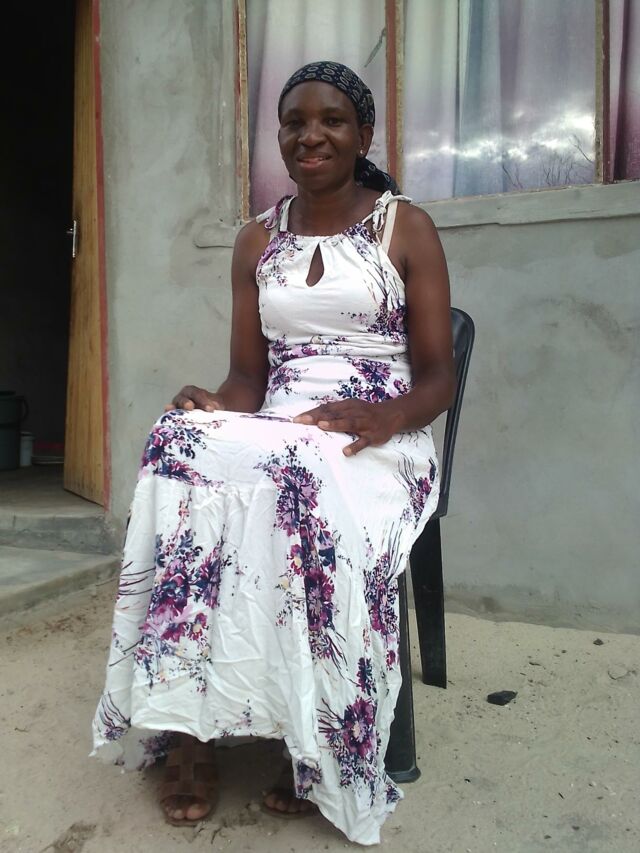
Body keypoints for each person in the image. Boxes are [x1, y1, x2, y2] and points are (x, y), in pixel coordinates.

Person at [92, 60, 454, 846]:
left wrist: (385, 417)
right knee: (177, 441)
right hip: (279, 430)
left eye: (331, 120)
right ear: (280, 137)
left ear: (363, 135)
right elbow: (248, 381)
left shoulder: (406, 228)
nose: (309, 135)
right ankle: (185, 724)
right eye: (294, 122)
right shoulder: (257, 238)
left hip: (377, 436)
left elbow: (438, 376)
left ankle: (312, 733)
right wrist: (213, 404)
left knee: (297, 471)